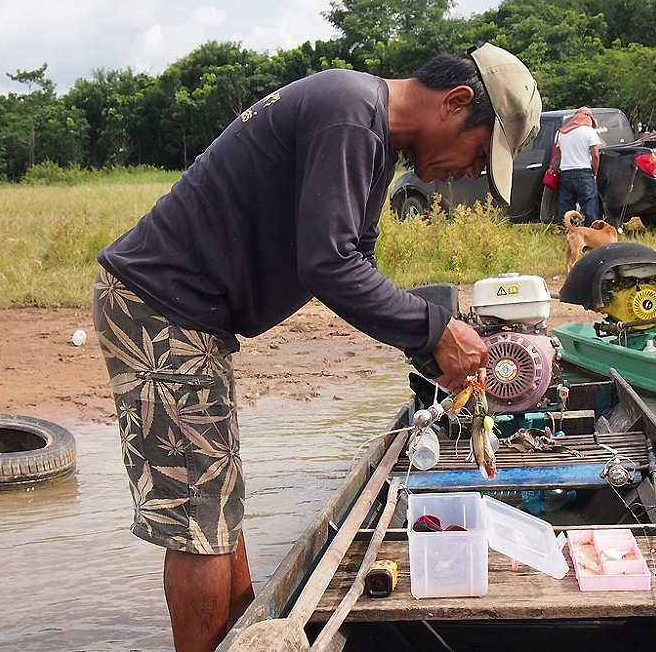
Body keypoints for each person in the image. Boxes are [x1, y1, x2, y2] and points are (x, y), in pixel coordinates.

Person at [91, 43, 541, 652]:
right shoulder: (349, 113)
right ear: (455, 104)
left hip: (191, 318)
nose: (471, 173)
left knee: (217, 501)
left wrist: (426, 350)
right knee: (201, 521)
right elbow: (328, 262)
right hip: (161, 309)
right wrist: (435, 330)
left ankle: (238, 635)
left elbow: (357, 261)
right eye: (479, 153)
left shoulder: (370, 135)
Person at [554, 106, 601, 226]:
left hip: (566, 173)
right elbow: (595, 155)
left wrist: (565, 163)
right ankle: (590, 232)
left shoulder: (561, 132)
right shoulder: (589, 131)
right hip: (584, 173)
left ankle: (564, 230)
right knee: (589, 206)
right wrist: (594, 173)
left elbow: (558, 153)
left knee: (565, 205)